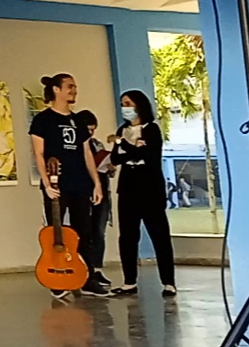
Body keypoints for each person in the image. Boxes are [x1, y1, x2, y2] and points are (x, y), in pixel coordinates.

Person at [29, 74, 107, 298]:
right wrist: (46, 182)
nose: (74, 90)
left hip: (80, 184)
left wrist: (96, 184)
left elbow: (86, 153)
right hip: (56, 185)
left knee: (84, 232)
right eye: (70, 86)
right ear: (56, 89)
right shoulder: (43, 120)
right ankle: (57, 277)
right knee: (56, 233)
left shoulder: (78, 121)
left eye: (75, 87)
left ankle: (87, 277)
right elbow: (39, 153)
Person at [108, 89, 176, 297]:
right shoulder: (123, 129)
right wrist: (130, 147)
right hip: (128, 188)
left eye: (128, 103)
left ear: (139, 105)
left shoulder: (152, 129)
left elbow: (148, 155)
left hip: (150, 190)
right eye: (122, 104)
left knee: (159, 235)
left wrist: (123, 144)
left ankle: (168, 282)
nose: (124, 108)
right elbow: (116, 159)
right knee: (128, 236)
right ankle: (129, 281)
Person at [75, 109, 115, 289]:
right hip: (84, 192)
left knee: (99, 231)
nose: (91, 133)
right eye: (88, 129)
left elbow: (106, 164)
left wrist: (110, 166)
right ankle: (83, 269)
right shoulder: (77, 147)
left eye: (93, 129)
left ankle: (97, 269)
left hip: (102, 191)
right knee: (84, 233)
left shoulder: (97, 144)